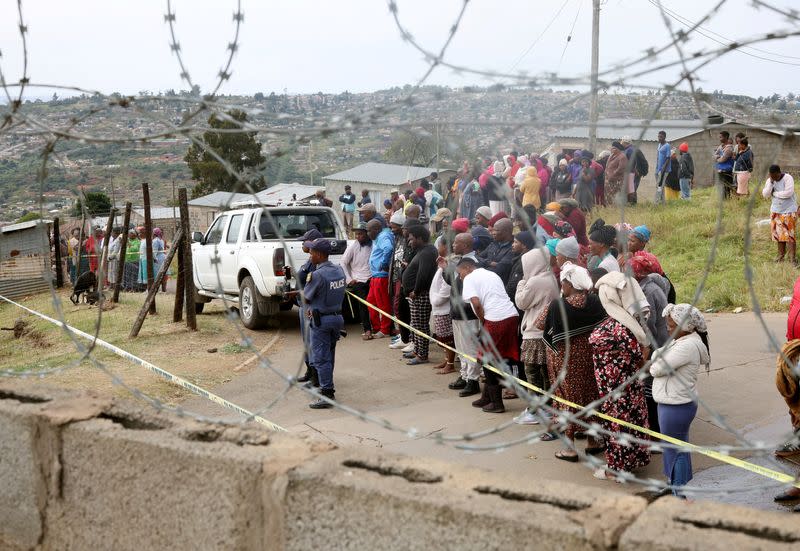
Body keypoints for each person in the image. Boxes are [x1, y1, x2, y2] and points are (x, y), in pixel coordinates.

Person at [537, 263, 607, 455]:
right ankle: (593, 441)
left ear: (569, 283)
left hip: (564, 361)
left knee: (567, 399)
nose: (562, 287)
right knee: (591, 397)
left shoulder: (558, 305)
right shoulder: (595, 301)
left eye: (563, 283)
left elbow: (539, 324)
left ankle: (569, 448)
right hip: (590, 358)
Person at [591, 272, 651, 480]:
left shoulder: (614, 328)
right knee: (632, 422)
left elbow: (638, 357)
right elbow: (641, 358)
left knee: (617, 425)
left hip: (614, 389)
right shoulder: (629, 326)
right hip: (629, 386)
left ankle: (617, 469)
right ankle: (631, 461)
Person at [650, 304, 710, 497]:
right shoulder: (681, 341)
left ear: (684, 326)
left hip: (676, 406)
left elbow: (656, 368)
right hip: (674, 403)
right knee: (674, 447)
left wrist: (656, 357)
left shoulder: (687, 346)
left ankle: (679, 492)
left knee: (676, 449)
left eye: (670, 325)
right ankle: (674, 484)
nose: (667, 328)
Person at [458, 257, 519, 414]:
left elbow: (476, 303)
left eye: (460, 273)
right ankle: (487, 397)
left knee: (488, 360)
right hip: (511, 316)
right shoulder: (491, 274)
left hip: (495, 319)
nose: (460, 277)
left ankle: (497, 403)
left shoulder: (470, 278)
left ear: (468, 268)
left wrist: (483, 320)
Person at [514, 247, 560, 425]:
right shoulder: (550, 279)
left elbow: (521, 302)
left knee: (532, 372)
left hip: (534, 332)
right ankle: (546, 407)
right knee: (545, 372)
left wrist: (520, 285)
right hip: (546, 331)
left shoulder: (533, 282)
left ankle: (536, 409)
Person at [301, 238, 347, 409]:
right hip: (337, 318)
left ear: (319, 255)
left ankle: (327, 393)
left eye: (312, 252)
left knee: (321, 358)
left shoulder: (317, 274)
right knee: (329, 355)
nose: (310, 255)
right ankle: (326, 387)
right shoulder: (339, 270)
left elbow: (306, 297)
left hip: (321, 320)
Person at [440, 232, 483, 397]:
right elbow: (454, 283)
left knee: (470, 347)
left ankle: (473, 380)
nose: (453, 245)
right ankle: (465, 375)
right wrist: (445, 270)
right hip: (457, 312)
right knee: (461, 347)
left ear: (465, 245)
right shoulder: (457, 260)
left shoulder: (474, 263)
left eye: (456, 243)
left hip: (468, 313)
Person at [402, 225, 438, 365]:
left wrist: (416, 291)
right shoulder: (422, 251)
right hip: (415, 294)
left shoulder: (428, 252)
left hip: (420, 295)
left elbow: (423, 274)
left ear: (420, 238)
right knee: (415, 324)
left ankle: (422, 355)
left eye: (411, 239)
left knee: (421, 325)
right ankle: (417, 350)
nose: (410, 242)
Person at [293, 228, 323, 386]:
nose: (302, 244)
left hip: (310, 306)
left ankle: (316, 376)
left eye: (305, 241)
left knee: (312, 342)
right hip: (302, 304)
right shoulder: (310, 260)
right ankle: (309, 372)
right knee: (306, 341)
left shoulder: (316, 263)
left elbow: (312, 286)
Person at [430, 236, 456, 374]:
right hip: (438, 307)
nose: (437, 248)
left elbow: (447, 286)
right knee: (442, 337)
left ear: (445, 247)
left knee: (447, 338)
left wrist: (437, 300)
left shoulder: (449, 263)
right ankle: (447, 359)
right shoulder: (443, 262)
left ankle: (451, 363)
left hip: (443, 307)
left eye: (438, 245)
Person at [341, 222, 373, 339]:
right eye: (357, 234)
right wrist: (349, 279)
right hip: (358, 281)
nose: (358, 236)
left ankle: (382, 328)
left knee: (376, 304)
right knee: (363, 305)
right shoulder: (354, 246)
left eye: (361, 234)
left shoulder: (373, 244)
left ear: (367, 234)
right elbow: (343, 262)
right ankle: (367, 329)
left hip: (372, 278)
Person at [762, 164, 798, 265]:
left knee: (790, 235)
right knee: (778, 235)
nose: (774, 179)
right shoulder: (770, 180)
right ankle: (780, 257)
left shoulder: (788, 178)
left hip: (789, 210)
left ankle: (792, 259)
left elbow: (788, 193)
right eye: (771, 176)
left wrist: (775, 194)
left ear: (779, 173)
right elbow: (765, 194)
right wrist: (770, 184)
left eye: (775, 176)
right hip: (776, 210)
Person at [366, 219, 395, 337]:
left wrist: (383, 264)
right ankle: (377, 327)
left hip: (381, 276)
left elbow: (388, 249)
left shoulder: (383, 236)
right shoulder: (378, 237)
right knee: (370, 301)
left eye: (369, 231)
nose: (368, 233)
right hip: (375, 276)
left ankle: (385, 330)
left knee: (383, 303)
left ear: (376, 230)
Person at [714, 131, 735, 199]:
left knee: (726, 188)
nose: (719, 139)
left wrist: (717, 158)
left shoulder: (729, 148)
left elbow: (723, 159)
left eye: (721, 137)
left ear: (726, 137)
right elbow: (713, 156)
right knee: (721, 188)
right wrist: (718, 157)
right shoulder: (721, 147)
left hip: (726, 171)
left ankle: (726, 202)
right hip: (720, 170)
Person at [655, 130, 671, 204]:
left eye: (661, 137)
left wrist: (663, 170)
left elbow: (668, 158)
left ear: (664, 137)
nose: (659, 138)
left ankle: (656, 202)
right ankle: (663, 202)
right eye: (658, 136)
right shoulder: (659, 145)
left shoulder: (667, 146)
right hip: (658, 169)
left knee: (659, 185)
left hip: (664, 170)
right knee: (661, 186)